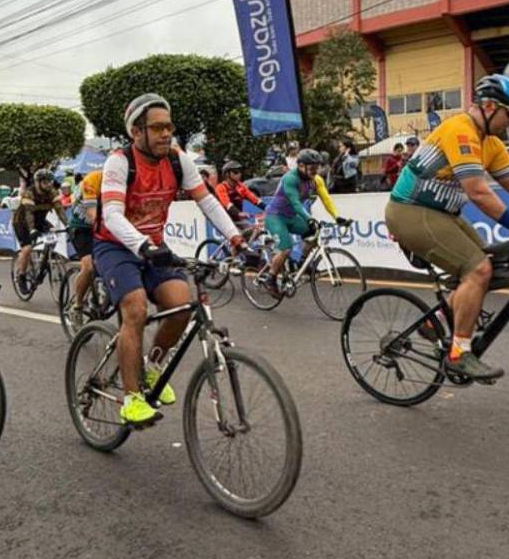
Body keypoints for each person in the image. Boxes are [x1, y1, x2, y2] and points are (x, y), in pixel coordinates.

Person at [386, 75, 509, 381]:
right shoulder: (459, 130)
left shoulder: (491, 143)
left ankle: (435, 320)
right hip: (410, 212)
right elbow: (477, 191)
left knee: (489, 264)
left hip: (443, 213)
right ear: (488, 106)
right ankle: (458, 354)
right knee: (478, 271)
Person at [95, 94, 245, 426]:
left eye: (169, 127)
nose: (166, 134)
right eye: (158, 128)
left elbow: (207, 202)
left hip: (154, 246)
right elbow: (113, 216)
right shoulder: (120, 162)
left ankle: (152, 368)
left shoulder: (178, 160)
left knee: (180, 306)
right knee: (135, 308)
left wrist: (235, 237)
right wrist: (144, 246)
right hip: (115, 246)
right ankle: (132, 399)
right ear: (136, 133)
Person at [263, 148, 351, 297]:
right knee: (286, 249)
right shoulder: (290, 178)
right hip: (275, 216)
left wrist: (337, 217)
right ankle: (270, 278)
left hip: (291, 216)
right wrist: (309, 219)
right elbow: (296, 203)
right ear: (301, 166)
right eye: (311, 168)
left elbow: (326, 199)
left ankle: (302, 263)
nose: (314, 171)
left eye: (317, 168)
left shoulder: (316, 180)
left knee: (314, 232)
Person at [64, 168, 102, 327]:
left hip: (100, 226)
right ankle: (77, 305)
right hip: (81, 228)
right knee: (89, 266)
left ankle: (100, 293)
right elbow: (93, 216)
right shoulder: (93, 179)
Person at [11, 168, 60, 284]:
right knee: (27, 249)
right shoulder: (30, 193)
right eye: (45, 182)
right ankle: (21, 276)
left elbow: (60, 210)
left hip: (40, 220)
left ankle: (44, 259)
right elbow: (29, 215)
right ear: (38, 183)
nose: (48, 185)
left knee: (53, 236)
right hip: (22, 221)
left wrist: (68, 225)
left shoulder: (52, 192)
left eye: (50, 181)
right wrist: (32, 229)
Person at [218, 161, 266, 227]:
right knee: (243, 233)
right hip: (225, 221)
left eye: (240, 171)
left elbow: (255, 200)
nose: (239, 174)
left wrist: (268, 208)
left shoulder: (241, 186)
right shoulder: (221, 187)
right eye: (235, 172)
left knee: (256, 231)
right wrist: (239, 213)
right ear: (227, 174)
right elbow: (228, 204)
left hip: (238, 220)